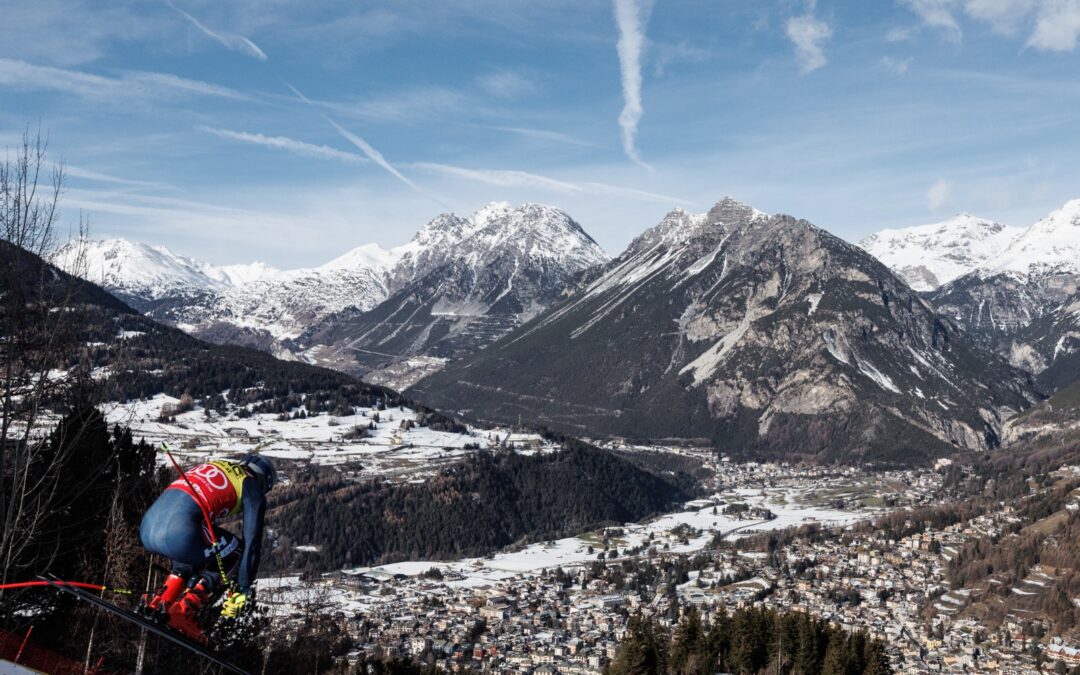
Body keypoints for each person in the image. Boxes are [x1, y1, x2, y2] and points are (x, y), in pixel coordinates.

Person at [139, 453, 275, 642]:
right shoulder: (251, 486)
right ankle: (184, 610)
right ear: (264, 482)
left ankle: (160, 600)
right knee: (235, 550)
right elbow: (252, 541)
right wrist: (243, 587)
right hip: (180, 533)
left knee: (196, 545)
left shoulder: (217, 465)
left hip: (147, 529)